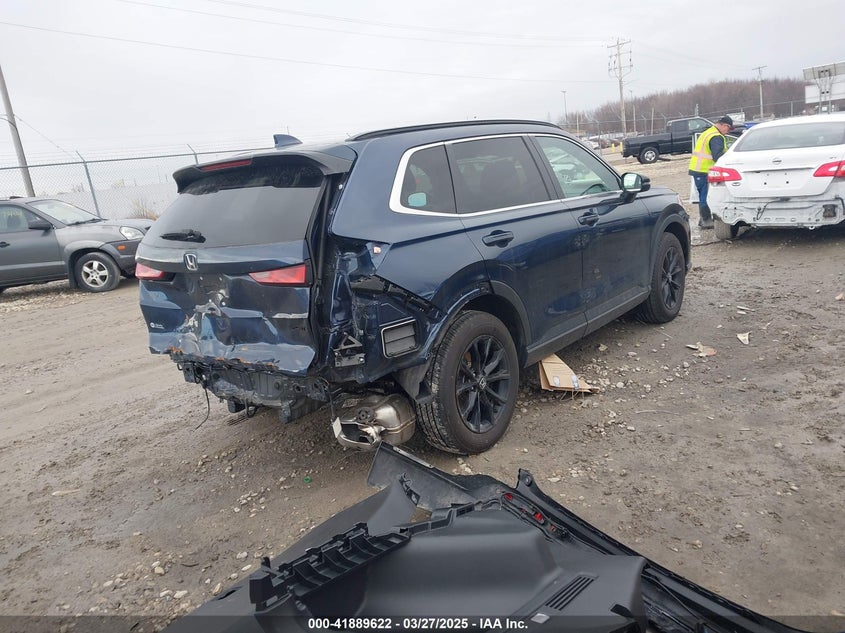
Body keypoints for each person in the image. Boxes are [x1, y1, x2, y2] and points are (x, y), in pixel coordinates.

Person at [688, 115, 733, 229]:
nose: (727, 132)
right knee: (706, 196)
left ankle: (703, 219)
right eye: (728, 129)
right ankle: (706, 220)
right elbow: (718, 156)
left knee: (703, 195)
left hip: (698, 169)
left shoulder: (708, 132)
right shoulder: (716, 136)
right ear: (724, 125)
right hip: (705, 170)